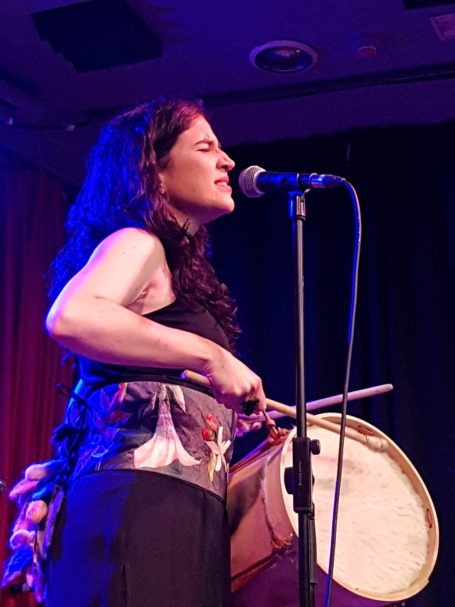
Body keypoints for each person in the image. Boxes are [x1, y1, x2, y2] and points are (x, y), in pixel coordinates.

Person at [2, 98, 266, 607]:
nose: (227, 160)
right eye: (206, 147)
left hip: (177, 514)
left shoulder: (173, 272)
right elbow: (72, 317)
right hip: (137, 513)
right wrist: (211, 358)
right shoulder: (138, 242)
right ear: (154, 172)